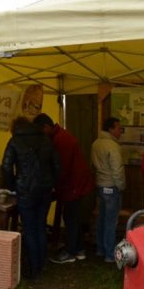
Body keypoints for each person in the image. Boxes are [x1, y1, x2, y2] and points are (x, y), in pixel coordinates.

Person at [2, 116, 60, 279]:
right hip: (45, 190)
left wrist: (12, 185)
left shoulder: (14, 141)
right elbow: (57, 164)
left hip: (26, 191)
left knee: (29, 229)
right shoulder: (45, 139)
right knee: (40, 226)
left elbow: (6, 166)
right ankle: (42, 265)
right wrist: (51, 182)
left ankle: (34, 269)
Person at [33, 113, 94, 264]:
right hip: (77, 183)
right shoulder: (60, 136)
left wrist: (52, 184)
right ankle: (79, 249)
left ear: (46, 127)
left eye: (41, 131)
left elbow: (62, 168)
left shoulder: (61, 140)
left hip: (73, 184)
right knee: (74, 217)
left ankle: (71, 252)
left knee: (70, 218)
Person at [91, 117, 125, 263]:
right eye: (118, 128)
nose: (120, 131)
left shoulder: (96, 143)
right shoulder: (112, 146)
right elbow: (117, 169)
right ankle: (110, 254)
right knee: (111, 221)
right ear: (110, 129)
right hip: (111, 186)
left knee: (101, 218)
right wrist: (121, 186)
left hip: (100, 185)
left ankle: (100, 249)